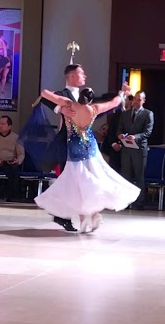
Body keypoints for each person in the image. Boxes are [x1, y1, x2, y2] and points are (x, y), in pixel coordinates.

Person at [34, 87, 139, 233]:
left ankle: (86, 219)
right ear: (90, 99)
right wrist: (123, 93)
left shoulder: (69, 105)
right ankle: (92, 214)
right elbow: (115, 102)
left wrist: (60, 108)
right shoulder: (94, 108)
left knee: (79, 184)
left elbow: (44, 93)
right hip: (90, 148)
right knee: (93, 180)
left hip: (74, 149)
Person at [112, 90, 154, 210]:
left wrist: (135, 137)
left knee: (139, 176)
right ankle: (125, 201)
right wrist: (120, 135)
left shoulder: (148, 114)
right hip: (126, 148)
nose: (136, 101)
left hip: (139, 149)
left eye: (139, 99)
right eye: (135, 99)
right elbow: (119, 128)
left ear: (143, 101)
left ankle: (139, 202)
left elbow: (147, 132)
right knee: (126, 175)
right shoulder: (125, 114)